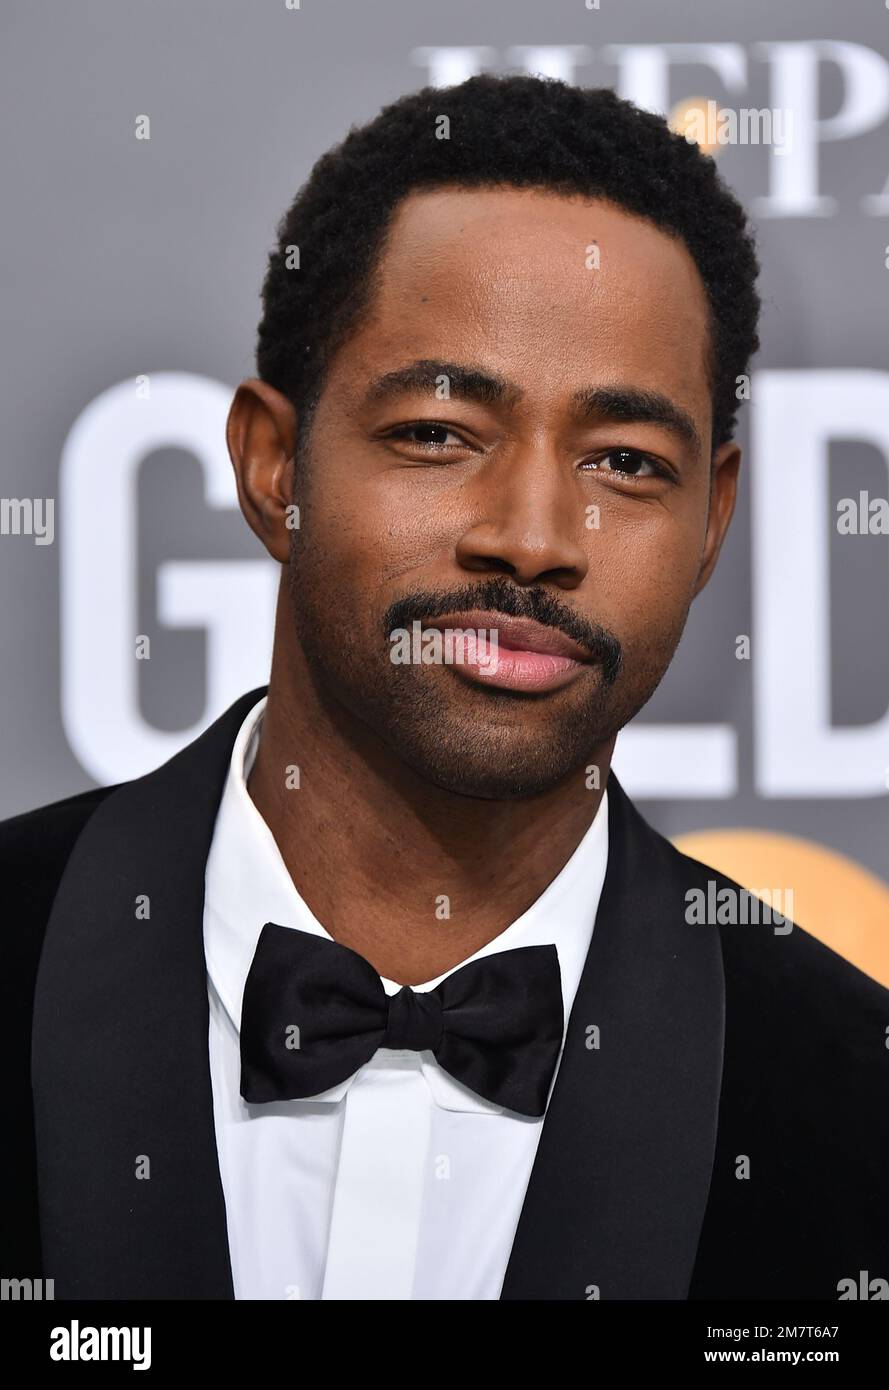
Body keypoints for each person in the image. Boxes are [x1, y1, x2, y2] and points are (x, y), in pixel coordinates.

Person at [4, 74, 888, 1302]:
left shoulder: (853, 1096)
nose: (532, 537)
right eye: (437, 432)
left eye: (624, 462)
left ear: (710, 523)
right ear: (273, 466)